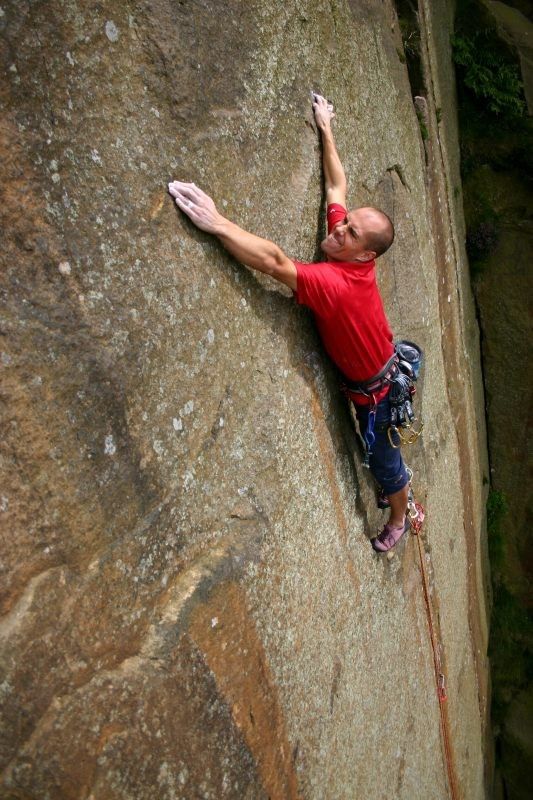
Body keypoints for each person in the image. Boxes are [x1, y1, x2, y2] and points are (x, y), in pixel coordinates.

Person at [168, 93, 411, 552]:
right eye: (348, 223)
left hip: (376, 394)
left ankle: (400, 513)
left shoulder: (336, 284)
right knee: (381, 454)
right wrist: (326, 127)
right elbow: (337, 189)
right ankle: (398, 493)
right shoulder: (350, 251)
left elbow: (276, 263)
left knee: (385, 464)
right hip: (379, 368)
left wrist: (218, 222)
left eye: (351, 232)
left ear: (365, 254)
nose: (339, 228)